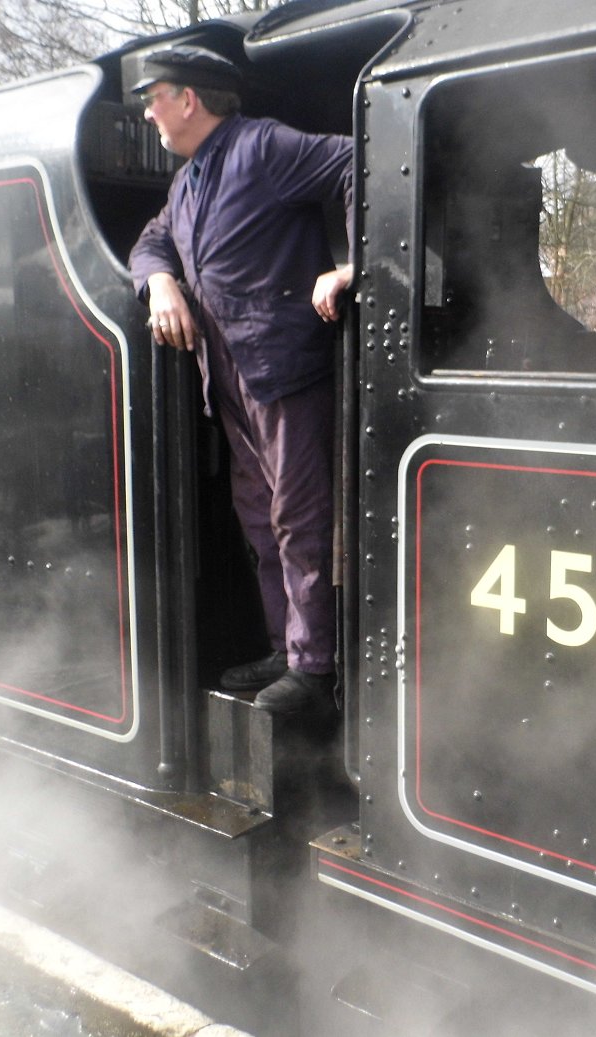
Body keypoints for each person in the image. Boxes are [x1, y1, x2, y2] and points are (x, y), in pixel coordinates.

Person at [128, 46, 353, 715]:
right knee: (259, 515)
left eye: (153, 97)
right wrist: (160, 283)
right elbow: (150, 243)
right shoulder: (186, 183)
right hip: (225, 376)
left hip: (283, 367)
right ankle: (289, 648)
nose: (147, 112)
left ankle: (316, 667)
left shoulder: (262, 148)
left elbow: (356, 163)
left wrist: (351, 264)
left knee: (298, 515)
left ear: (188, 99)